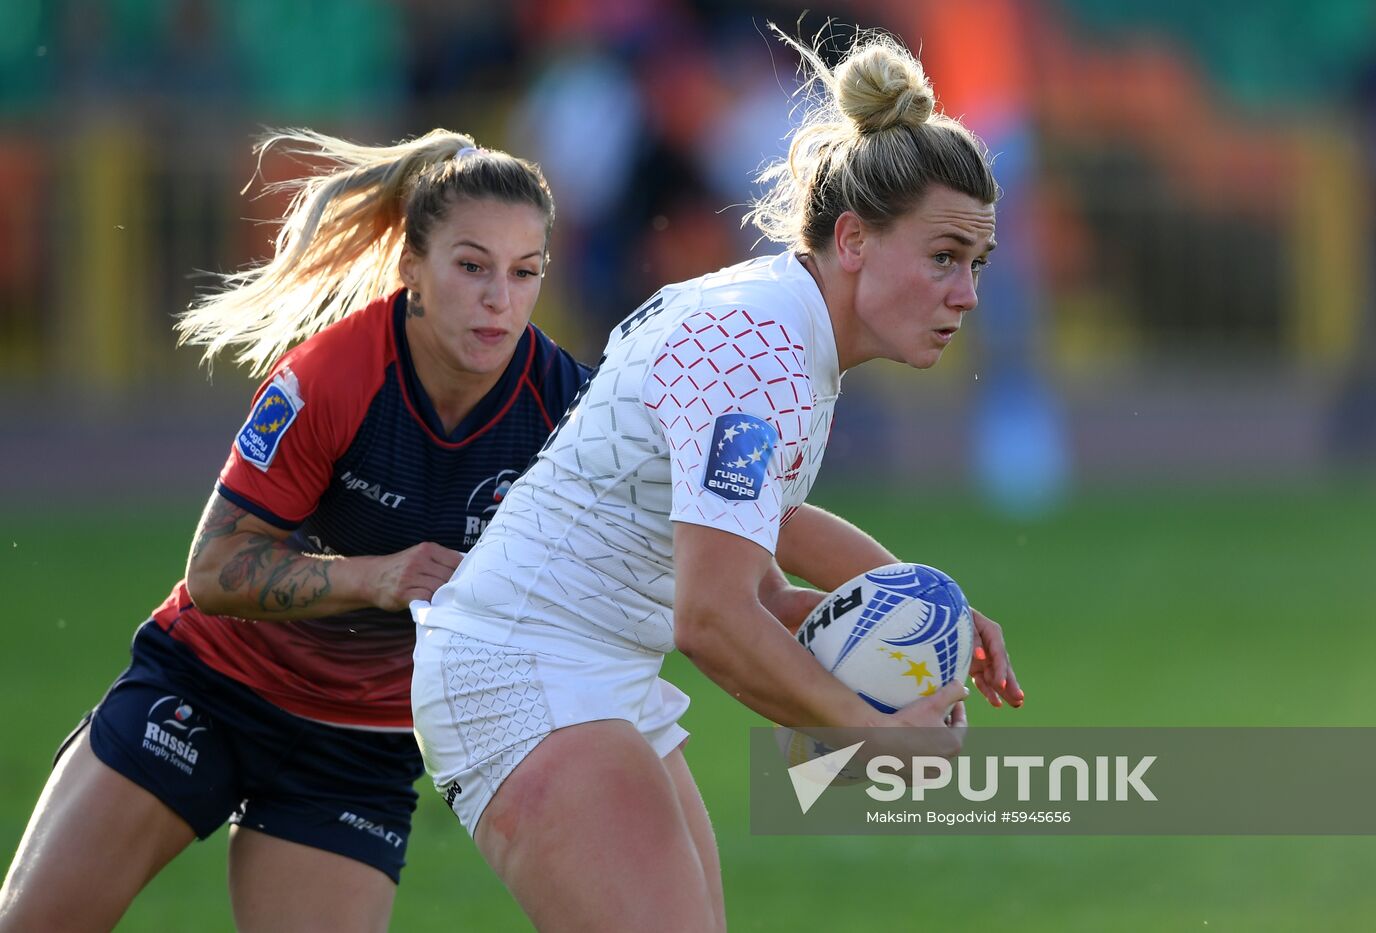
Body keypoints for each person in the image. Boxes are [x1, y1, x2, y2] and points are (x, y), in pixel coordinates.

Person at [411, 27, 1025, 933]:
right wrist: (871, 728)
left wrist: (921, 603)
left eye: (975, 264)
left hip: (586, 666)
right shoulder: (763, 350)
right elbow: (714, 616)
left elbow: (761, 544)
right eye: (942, 256)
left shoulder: (782, 324)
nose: (966, 292)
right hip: (524, 667)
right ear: (852, 238)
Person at [0, 128, 590, 932]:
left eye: (525, 273)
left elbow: (709, 519)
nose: (500, 299)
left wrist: (815, 608)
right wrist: (373, 576)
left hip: (356, 745)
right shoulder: (333, 375)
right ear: (412, 268)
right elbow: (213, 569)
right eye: (472, 265)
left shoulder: (568, 406)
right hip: (208, 688)